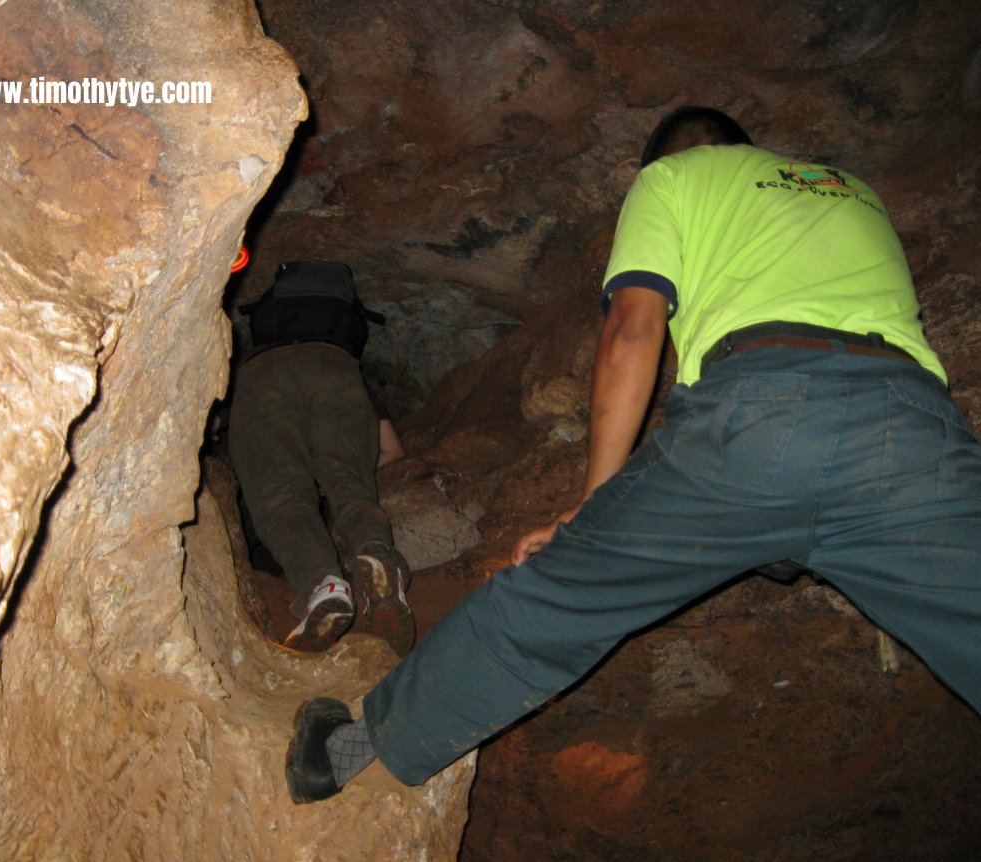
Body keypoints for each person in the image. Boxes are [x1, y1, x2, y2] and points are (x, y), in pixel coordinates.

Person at [285, 106, 981, 804]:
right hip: (910, 424)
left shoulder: (673, 178)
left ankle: (340, 754)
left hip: (760, 409)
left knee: (557, 600)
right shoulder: (854, 189)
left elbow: (634, 329)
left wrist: (593, 503)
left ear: (664, 161)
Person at [229, 261, 414, 656]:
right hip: (335, 371)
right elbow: (393, 450)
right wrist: (338, 480)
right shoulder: (347, 368)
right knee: (354, 491)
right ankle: (378, 561)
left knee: (282, 501)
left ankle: (323, 587)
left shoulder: (267, 344)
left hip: (263, 376)